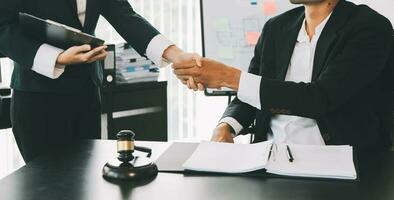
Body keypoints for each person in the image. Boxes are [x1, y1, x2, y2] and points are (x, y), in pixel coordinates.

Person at [173, 0, 393, 149]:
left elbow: (321, 98)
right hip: (268, 160)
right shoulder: (276, 27)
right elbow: (251, 94)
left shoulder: (370, 28)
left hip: (339, 167)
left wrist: (228, 77)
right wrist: (226, 126)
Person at [0, 0, 201, 162]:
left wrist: (177, 55)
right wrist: (57, 57)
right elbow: (3, 27)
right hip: (38, 98)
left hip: (86, 92)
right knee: (46, 186)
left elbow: (125, 16)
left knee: (86, 182)